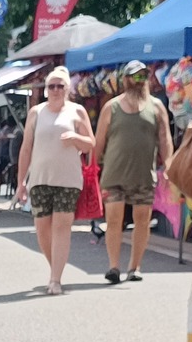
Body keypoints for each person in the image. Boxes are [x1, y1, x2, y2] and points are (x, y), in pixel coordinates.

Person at [16, 69, 94, 294]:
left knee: (61, 226)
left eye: (61, 86)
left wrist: (76, 138)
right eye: (52, 86)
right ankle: (55, 269)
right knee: (42, 228)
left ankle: (55, 279)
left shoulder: (77, 111)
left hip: (68, 179)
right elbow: (26, 148)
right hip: (40, 178)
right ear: (45, 90)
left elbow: (90, 143)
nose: (56, 90)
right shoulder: (36, 112)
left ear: (68, 89)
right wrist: (21, 182)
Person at [94, 63, 172, 284]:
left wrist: (168, 165)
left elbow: (165, 139)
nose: (139, 80)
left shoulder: (156, 106)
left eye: (143, 76)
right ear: (125, 79)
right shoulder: (112, 107)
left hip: (144, 175)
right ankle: (114, 266)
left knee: (142, 221)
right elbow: (99, 141)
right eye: (134, 77)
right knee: (114, 219)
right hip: (114, 174)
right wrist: (92, 170)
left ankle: (135, 267)